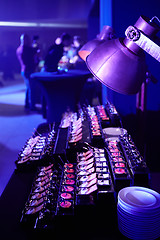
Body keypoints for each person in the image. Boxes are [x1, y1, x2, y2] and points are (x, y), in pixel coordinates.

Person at [16, 33, 38, 110]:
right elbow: (33, 57)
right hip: (28, 70)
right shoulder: (25, 49)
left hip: (24, 70)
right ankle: (32, 106)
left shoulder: (19, 49)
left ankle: (27, 104)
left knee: (28, 88)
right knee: (31, 88)